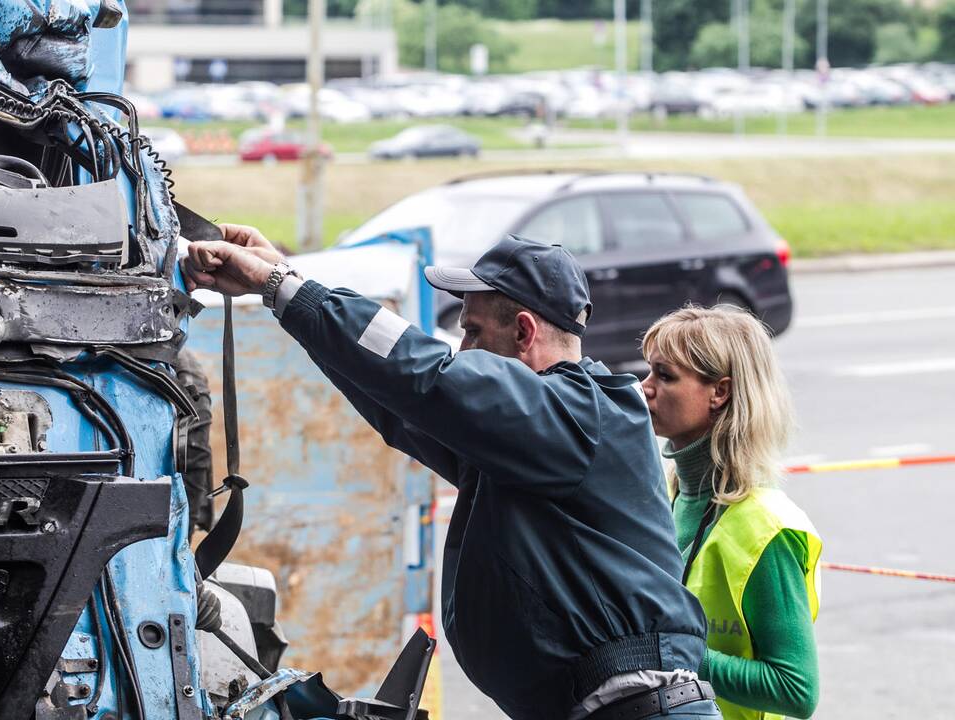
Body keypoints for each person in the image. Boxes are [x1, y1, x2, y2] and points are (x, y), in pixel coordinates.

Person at [183, 227, 720, 720]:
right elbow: (400, 403)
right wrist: (292, 299)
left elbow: (423, 375)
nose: (462, 348)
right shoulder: (528, 438)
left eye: (473, 332)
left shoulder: (578, 417)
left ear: (525, 332)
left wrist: (281, 285)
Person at [640, 306, 822, 720]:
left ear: (719, 392)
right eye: (649, 372)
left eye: (665, 376)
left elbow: (797, 689)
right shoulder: (672, 493)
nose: (645, 387)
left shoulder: (764, 527)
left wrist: (666, 654)